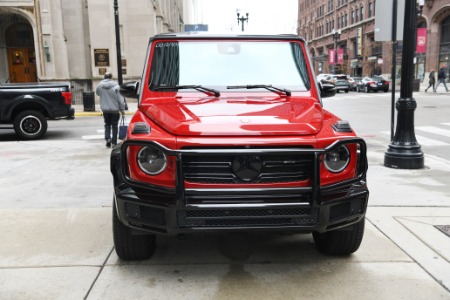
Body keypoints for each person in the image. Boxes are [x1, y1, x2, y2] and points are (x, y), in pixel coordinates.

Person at [96, 72, 125, 147]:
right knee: (114, 126)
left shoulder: (100, 85)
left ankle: (107, 139)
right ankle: (114, 142)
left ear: (104, 77)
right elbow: (121, 99)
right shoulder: (116, 86)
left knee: (107, 124)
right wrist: (122, 110)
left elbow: (97, 93)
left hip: (105, 110)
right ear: (111, 77)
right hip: (115, 110)